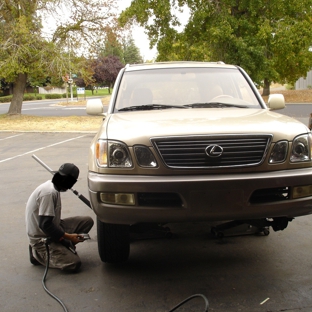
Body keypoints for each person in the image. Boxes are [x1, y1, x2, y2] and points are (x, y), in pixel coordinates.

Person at [25, 163, 94, 272]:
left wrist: (66, 238)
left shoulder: (54, 188)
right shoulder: (48, 193)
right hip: (41, 238)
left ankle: (61, 247)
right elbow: (45, 225)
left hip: (54, 227)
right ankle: (37, 254)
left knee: (87, 221)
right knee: (73, 263)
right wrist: (67, 238)